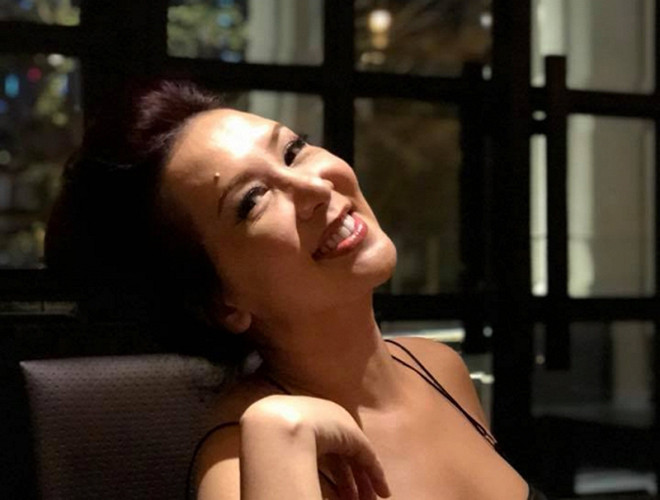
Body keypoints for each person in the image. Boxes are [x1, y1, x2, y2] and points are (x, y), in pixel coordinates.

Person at [45, 80, 547, 500]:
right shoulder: (241, 468)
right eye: (253, 200)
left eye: (293, 150)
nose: (315, 188)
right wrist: (277, 434)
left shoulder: (438, 367)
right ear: (220, 302)